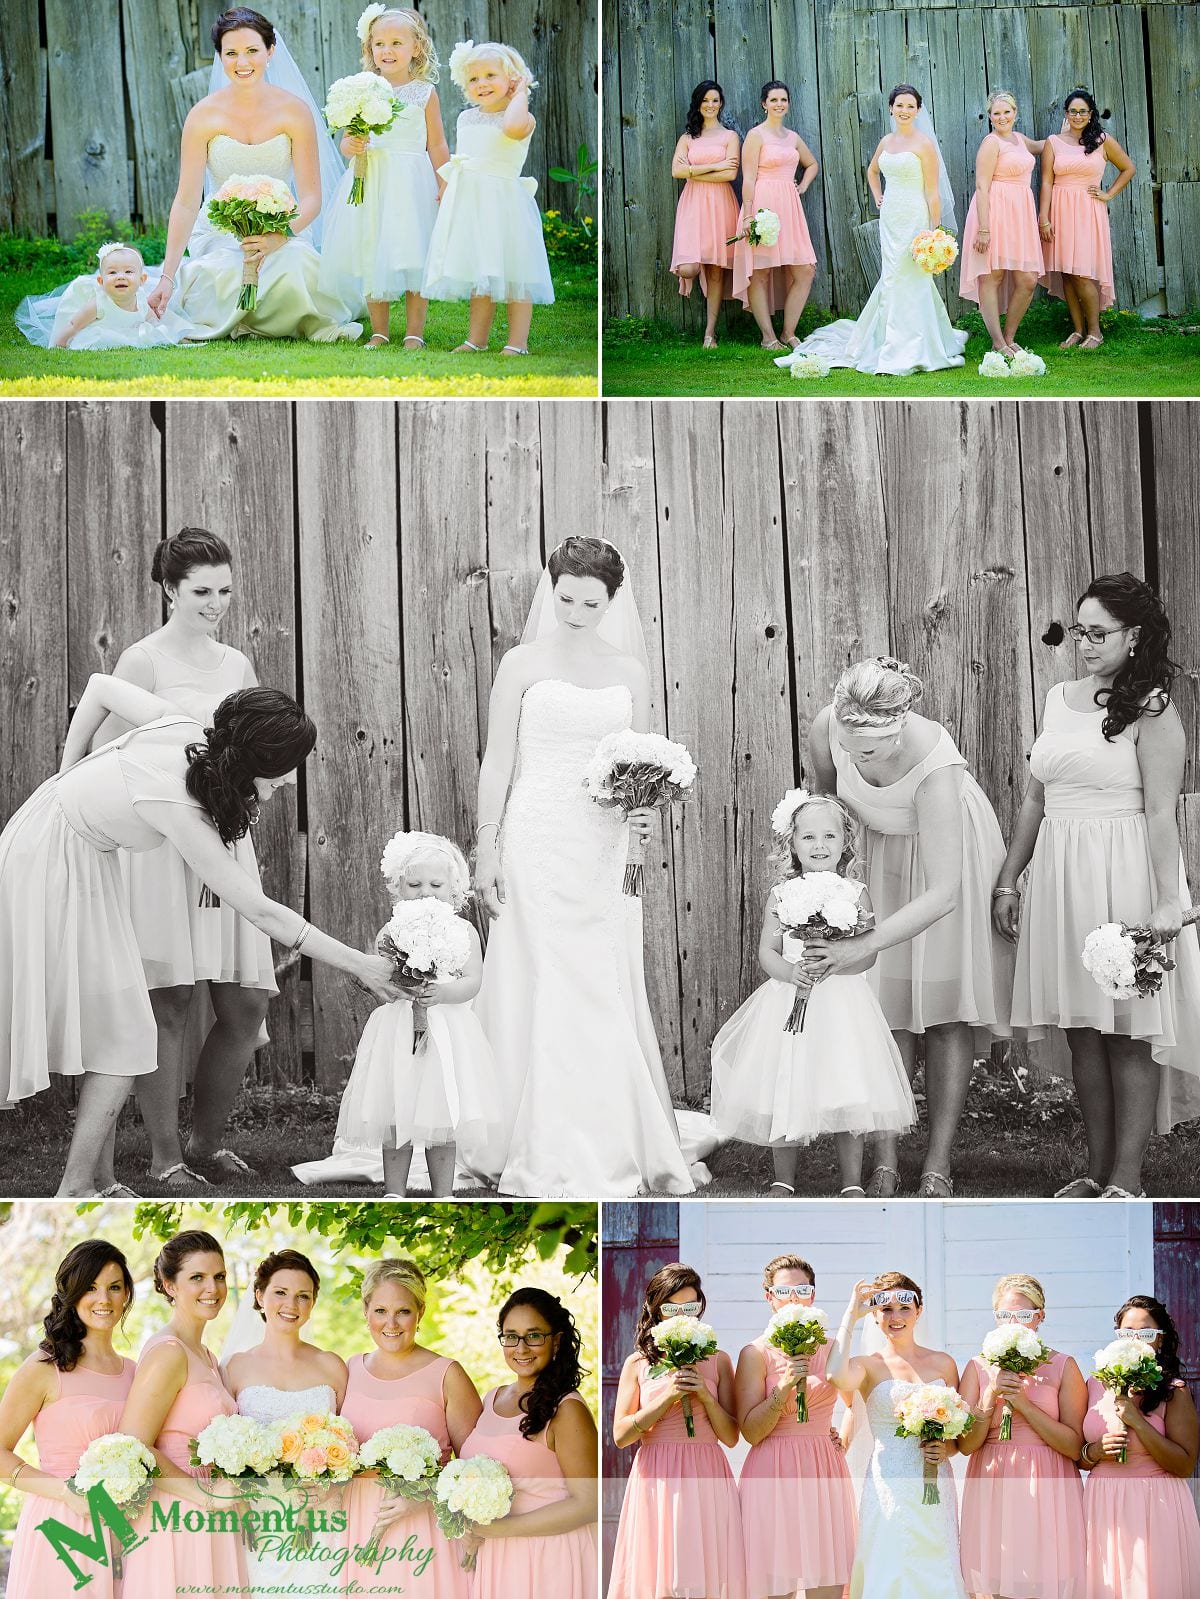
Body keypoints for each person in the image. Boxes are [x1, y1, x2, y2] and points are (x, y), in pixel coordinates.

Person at [0, 675, 402, 1196]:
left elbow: (99, 688)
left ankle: (101, 1182)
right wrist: (362, 965)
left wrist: (65, 777)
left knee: (116, 1027)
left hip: (75, 850)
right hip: (52, 864)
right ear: (256, 760)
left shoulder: (185, 729)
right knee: (125, 1034)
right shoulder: (179, 804)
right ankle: (76, 1189)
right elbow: (263, 913)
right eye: (284, 768)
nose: (287, 781)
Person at [472, 536, 695, 1196]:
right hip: (535, 832)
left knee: (601, 975)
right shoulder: (521, 663)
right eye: (565, 598)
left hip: (604, 839)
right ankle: (522, 1134)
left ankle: (607, 1132)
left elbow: (639, 760)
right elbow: (498, 761)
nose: (574, 612)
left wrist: (644, 812)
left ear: (611, 601)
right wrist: (486, 845)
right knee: (538, 973)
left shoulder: (630, 671)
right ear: (552, 590)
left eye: (589, 603)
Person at [996, 573, 1200, 1198]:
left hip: (1123, 871)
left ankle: (1127, 1177)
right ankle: (1096, 1169)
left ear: (1133, 636)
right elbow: (1036, 798)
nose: (1084, 644)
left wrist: (1167, 901)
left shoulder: (1153, 710)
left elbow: (1160, 813)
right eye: (1078, 632)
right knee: (1083, 1029)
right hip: (1063, 874)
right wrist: (1009, 878)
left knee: (1128, 1029)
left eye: (1098, 634)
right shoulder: (1058, 699)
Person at [807, 657, 1012, 1197]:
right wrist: (826, 896)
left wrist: (864, 945)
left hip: (944, 856)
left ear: (897, 729)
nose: (855, 758)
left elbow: (944, 892)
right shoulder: (828, 726)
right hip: (878, 854)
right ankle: (885, 1158)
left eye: (868, 752)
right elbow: (826, 809)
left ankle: (937, 1161)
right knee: (883, 1008)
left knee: (944, 1009)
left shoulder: (935, 762)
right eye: (848, 746)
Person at [710, 789, 915, 1196]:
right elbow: (767, 951)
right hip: (789, 1000)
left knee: (847, 1085)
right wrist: (791, 973)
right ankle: (783, 1179)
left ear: (845, 842)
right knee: (784, 1083)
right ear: (792, 844)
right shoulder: (782, 894)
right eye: (808, 837)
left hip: (843, 1006)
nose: (819, 845)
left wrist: (838, 964)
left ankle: (851, 1182)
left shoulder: (855, 893)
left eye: (829, 836)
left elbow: (869, 954)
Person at [147, 7, 361, 341]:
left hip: (283, 229)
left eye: (252, 51)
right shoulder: (202, 116)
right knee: (226, 270)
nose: (242, 62)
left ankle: (267, 314)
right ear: (220, 56)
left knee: (294, 265)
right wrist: (167, 276)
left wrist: (278, 236)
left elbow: (311, 198)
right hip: (220, 232)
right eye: (231, 53)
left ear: (270, 51)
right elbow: (186, 202)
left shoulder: (294, 111)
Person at [320, 830, 503, 1195]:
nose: (425, 892)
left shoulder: (464, 931)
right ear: (398, 888)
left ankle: (443, 1192)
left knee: (443, 1116)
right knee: (395, 1110)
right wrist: (404, 982)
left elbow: (473, 981)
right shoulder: (391, 931)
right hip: (399, 1029)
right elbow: (383, 975)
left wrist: (443, 992)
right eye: (414, 885)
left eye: (436, 884)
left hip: (447, 1031)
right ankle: (395, 1190)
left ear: (454, 889)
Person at [776, 84, 966, 376]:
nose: (904, 111)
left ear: (918, 110)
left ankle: (914, 344)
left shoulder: (924, 144)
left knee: (910, 277)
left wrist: (934, 231)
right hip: (891, 217)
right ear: (891, 108)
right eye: (899, 105)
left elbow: (932, 192)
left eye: (910, 106)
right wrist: (878, 196)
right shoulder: (886, 141)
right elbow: (872, 170)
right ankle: (888, 338)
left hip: (915, 217)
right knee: (891, 276)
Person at [0, 1241, 137, 1599]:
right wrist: (66, 1492)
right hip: (62, 1525)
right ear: (72, 1293)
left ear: (126, 1294)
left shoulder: (137, 1374)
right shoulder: (44, 1367)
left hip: (127, 1529)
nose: (103, 1299)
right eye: (91, 1287)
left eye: (114, 1287)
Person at [340, 1257, 480, 1596]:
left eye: (403, 1311)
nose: (391, 1323)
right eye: (380, 1311)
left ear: (420, 1312)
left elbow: (476, 1469)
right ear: (366, 1311)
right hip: (359, 1522)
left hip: (423, 1528)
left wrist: (427, 1497)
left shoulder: (448, 1374)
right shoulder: (349, 1370)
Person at [120, 1231, 248, 1594]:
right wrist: (206, 1496)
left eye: (219, 1276)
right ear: (169, 1285)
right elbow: (133, 1445)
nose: (213, 1288)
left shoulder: (207, 1356)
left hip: (215, 1513)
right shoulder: (168, 1352)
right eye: (197, 1277)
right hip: (177, 1513)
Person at [826, 1272, 967, 1598]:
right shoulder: (866, 1365)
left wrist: (943, 1448)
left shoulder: (944, 1364)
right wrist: (851, 1314)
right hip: (887, 1483)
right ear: (874, 1316)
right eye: (885, 1309)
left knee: (935, 1562)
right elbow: (834, 1374)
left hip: (935, 1485)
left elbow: (956, 1440)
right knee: (890, 1563)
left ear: (919, 1311)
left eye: (904, 1308)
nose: (895, 1317)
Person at [610, 1264, 746, 1599]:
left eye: (690, 1307)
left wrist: (705, 1396)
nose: (682, 1315)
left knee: (705, 1578)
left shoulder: (719, 1360)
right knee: (661, 1579)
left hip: (706, 1471)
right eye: (672, 1308)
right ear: (656, 1310)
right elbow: (621, 1435)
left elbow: (731, 1436)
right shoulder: (637, 1364)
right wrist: (667, 1397)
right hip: (657, 1474)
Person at [318, 6, 449, 349]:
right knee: (370, 248)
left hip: (410, 182)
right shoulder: (362, 91)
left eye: (396, 43)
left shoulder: (424, 92)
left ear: (416, 48)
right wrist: (350, 145)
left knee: (413, 251)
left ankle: (414, 332)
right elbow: (347, 142)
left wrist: (445, 181)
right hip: (370, 179)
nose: (387, 51)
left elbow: (436, 143)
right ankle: (379, 331)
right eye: (379, 44)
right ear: (370, 49)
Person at [457, 1287, 598, 1596]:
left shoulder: (567, 1409)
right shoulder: (492, 1397)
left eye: (534, 1336)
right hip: (498, 1556)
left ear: (556, 1340)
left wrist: (499, 1529)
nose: (521, 1348)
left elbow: (589, 1504)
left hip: (549, 1558)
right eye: (511, 1336)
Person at [226, 1249, 348, 1593]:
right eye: (280, 1292)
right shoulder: (235, 1367)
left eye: (303, 1296)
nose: (291, 1305)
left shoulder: (332, 1366)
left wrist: (330, 1484)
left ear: (313, 1303)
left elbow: (350, 1445)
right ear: (259, 1296)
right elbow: (225, 1445)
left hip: (323, 1518)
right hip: (258, 1520)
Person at [735, 1253, 856, 1599]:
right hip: (772, 1471)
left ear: (812, 1295)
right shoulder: (755, 1353)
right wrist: (784, 1386)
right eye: (784, 1291)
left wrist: (843, 1440)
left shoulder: (832, 1348)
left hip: (824, 1469)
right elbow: (750, 1432)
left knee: (828, 1583)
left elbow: (855, 1405)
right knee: (777, 1587)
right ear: (769, 1297)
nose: (793, 1298)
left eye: (802, 1290)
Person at [957, 1273, 1086, 1599]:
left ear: (1040, 1316)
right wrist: (991, 1394)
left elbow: (1075, 1447)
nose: (1013, 1322)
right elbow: (966, 1446)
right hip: (994, 1482)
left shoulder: (1064, 1366)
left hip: (1048, 1482)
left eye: (1024, 1314)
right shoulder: (976, 1367)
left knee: (1045, 1579)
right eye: (1005, 1315)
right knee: (997, 1581)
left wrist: (1024, 1404)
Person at [420, 40, 553, 356]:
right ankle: (476, 339)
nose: (481, 84)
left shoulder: (521, 117)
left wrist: (520, 94)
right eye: (473, 79)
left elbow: (512, 129)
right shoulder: (466, 118)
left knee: (514, 274)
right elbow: (462, 157)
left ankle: (517, 343)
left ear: (513, 78)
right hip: (472, 203)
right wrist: (447, 188)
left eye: (491, 76)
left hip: (503, 204)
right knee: (481, 272)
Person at [1081, 1295, 1200, 1599]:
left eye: (1146, 1333)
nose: (1135, 1340)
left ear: (1160, 1340)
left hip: (1154, 1504)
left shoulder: (1174, 1391)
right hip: (1103, 1502)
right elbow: (1080, 1456)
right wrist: (1095, 1451)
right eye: (1127, 1332)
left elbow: (1185, 1465)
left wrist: (1137, 1421)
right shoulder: (1093, 1384)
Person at [1039, 89, 1136, 350]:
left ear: (1091, 114)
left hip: (1087, 212)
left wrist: (1108, 194)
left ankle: (1095, 332)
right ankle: (1078, 330)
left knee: (1082, 273)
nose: (1078, 116)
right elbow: (1046, 182)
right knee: (1067, 273)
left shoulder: (1102, 140)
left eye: (1083, 111)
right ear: (1066, 114)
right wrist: (1044, 217)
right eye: (1073, 111)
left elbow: (1128, 168)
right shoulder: (1053, 142)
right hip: (1060, 210)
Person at [732, 81, 819, 351]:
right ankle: (767, 337)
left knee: (806, 269)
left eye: (783, 99)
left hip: (790, 208)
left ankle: (788, 333)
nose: (779, 104)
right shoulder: (756, 135)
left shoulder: (793, 137)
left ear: (788, 104)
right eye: (774, 100)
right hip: (763, 204)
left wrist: (802, 186)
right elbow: (748, 178)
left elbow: (812, 164)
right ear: (764, 104)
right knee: (761, 271)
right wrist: (748, 215)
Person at [959, 92, 1045, 356]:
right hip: (994, 211)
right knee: (992, 276)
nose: (1002, 117)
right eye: (996, 113)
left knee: (1028, 279)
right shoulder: (991, 142)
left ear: (1015, 113)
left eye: (1006, 112)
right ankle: (998, 341)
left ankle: (1009, 336)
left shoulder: (1020, 139)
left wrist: (1070, 133)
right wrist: (984, 229)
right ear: (990, 117)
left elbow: (1044, 146)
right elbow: (982, 186)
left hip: (1020, 215)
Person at [16, 242, 197, 351]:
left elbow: (152, 320)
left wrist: (167, 333)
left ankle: (178, 338)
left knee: (152, 332)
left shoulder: (141, 299)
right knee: (106, 341)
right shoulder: (99, 303)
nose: (120, 276)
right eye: (112, 272)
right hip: (102, 334)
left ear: (142, 280)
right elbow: (74, 324)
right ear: (101, 281)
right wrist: (61, 342)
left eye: (128, 272)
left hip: (128, 332)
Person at [668, 80, 739, 347]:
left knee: (716, 269)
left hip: (721, 203)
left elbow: (730, 174)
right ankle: (707, 328)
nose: (710, 105)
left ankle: (710, 333)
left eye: (715, 100)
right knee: (689, 267)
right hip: (693, 203)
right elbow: (676, 171)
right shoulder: (687, 138)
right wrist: (716, 166)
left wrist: (693, 171)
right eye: (706, 100)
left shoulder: (730, 137)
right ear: (698, 104)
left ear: (721, 104)